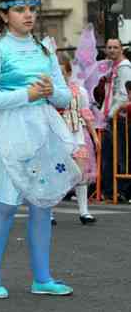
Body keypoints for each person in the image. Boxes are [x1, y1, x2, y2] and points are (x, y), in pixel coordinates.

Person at [0, 0, 80, 299]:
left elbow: (63, 96)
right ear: (5, 16)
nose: (28, 15)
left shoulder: (44, 49)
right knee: (6, 204)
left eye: (32, 8)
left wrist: (50, 92)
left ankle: (42, 279)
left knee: (42, 205)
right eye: (20, 9)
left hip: (43, 132)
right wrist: (26, 95)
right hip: (8, 132)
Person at [58, 58, 99, 224]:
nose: (59, 75)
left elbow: (86, 113)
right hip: (56, 138)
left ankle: (84, 212)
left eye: (62, 72)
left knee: (81, 174)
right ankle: (48, 212)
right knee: (55, 174)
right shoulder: (49, 92)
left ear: (69, 73)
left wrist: (94, 136)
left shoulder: (79, 91)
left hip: (76, 136)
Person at [101, 38, 131, 202]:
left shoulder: (124, 67)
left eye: (115, 47)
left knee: (119, 156)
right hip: (110, 118)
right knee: (109, 156)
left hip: (118, 119)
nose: (112, 50)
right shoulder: (112, 67)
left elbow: (123, 95)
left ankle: (121, 191)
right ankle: (111, 191)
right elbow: (109, 95)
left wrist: (110, 115)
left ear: (121, 49)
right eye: (109, 47)